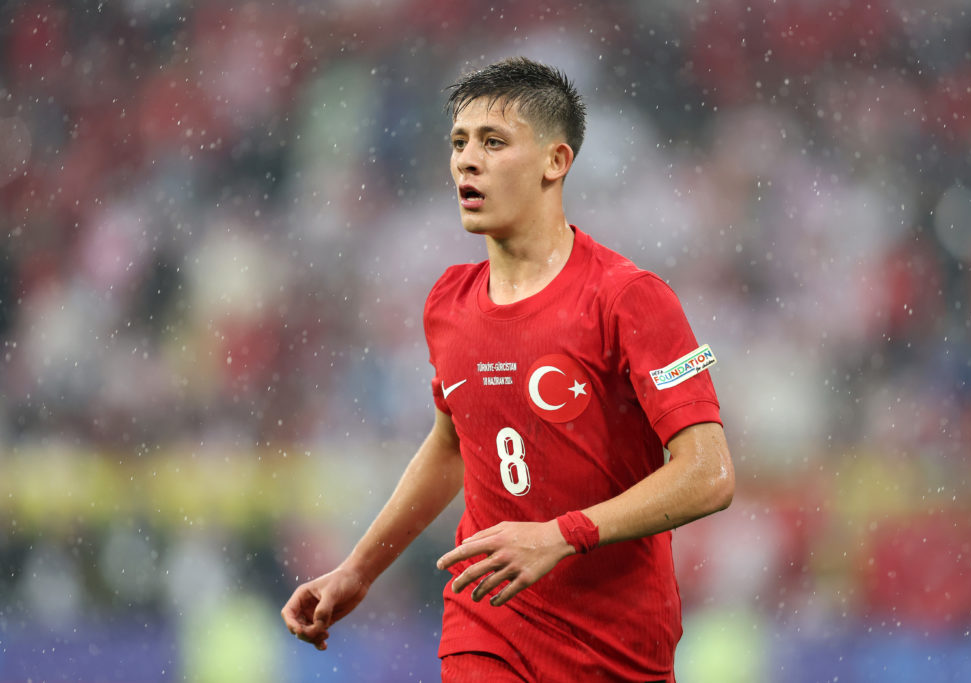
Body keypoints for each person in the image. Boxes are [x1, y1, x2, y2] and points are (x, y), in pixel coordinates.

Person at [281, 56, 735, 682]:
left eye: (494, 143)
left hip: (619, 641)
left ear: (556, 162)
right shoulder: (448, 301)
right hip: (488, 623)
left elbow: (709, 474)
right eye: (459, 143)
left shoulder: (631, 297)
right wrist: (358, 569)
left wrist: (561, 535)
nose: (467, 160)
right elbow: (450, 446)